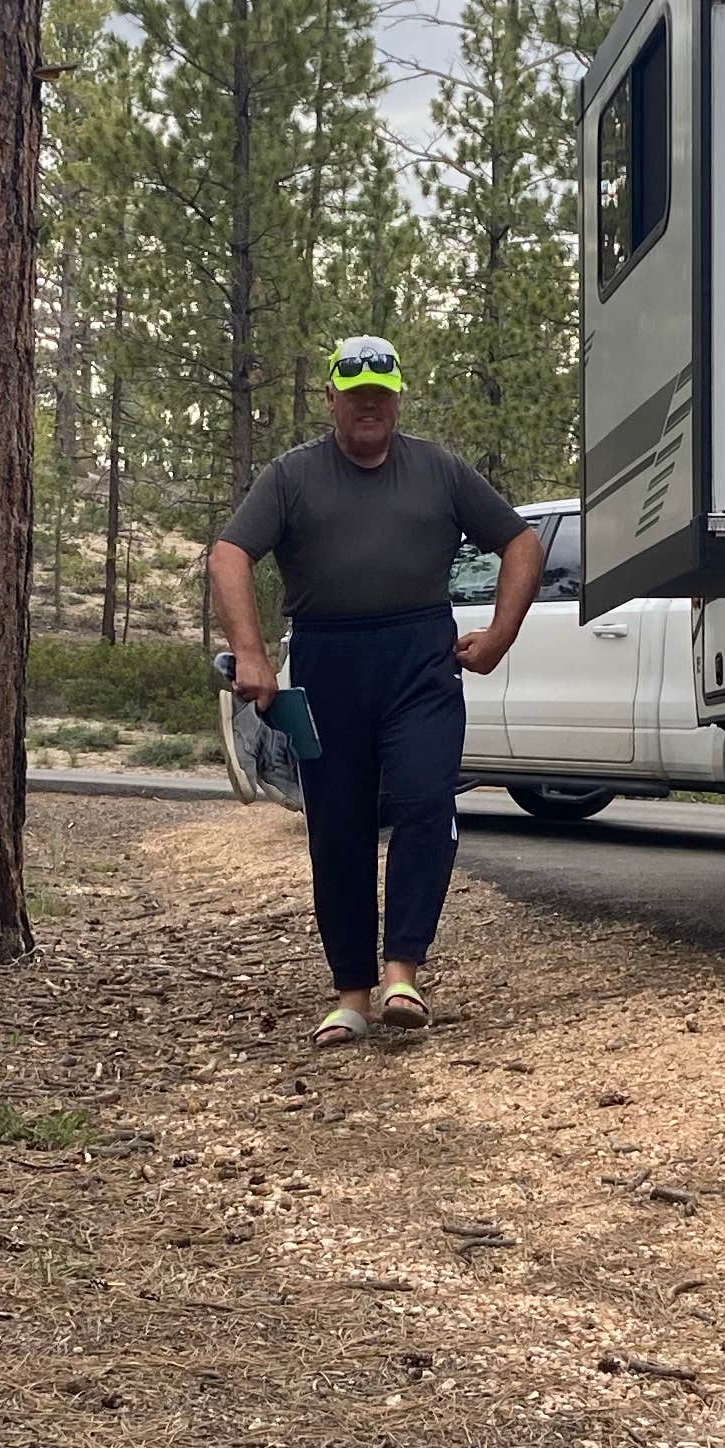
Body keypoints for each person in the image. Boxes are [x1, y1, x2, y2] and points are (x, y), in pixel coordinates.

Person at [210, 340, 544, 1043]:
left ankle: (403, 975)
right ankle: (351, 994)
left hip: (419, 658)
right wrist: (250, 651)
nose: (368, 402)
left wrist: (501, 633)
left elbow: (520, 541)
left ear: (397, 397)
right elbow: (231, 552)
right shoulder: (292, 476)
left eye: (380, 390)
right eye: (353, 389)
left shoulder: (440, 471)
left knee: (425, 802)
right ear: (330, 397)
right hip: (329, 664)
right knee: (340, 827)